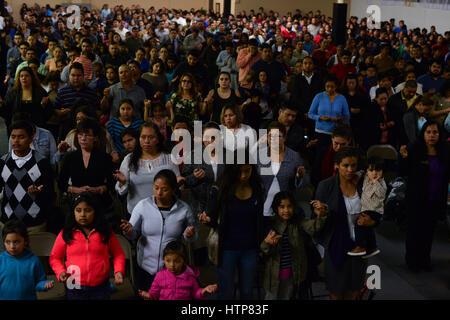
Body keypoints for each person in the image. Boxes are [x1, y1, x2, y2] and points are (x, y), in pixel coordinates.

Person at [198, 151, 265, 300]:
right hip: (226, 247)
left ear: (252, 169)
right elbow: (214, 218)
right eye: (238, 171)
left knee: (247, 291)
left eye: (247, 171)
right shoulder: (220, 189)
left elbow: (260, 219)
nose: (243, 175)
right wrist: (207, 220)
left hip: (250, 247)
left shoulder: (258, 188)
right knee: (226, 292)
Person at [120, 170, 197, 291]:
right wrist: (128, 231)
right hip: (145, 268)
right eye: (156, 188)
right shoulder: (143, 205)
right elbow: (132, 235)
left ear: (173, 190)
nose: (159, 193)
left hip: (172, 269)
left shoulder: (184, 209)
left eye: (164, 189)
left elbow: (191, 236)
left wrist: (189, 235)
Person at [314, 147, 374, 300]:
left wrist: (371, 220)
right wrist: (321, 214)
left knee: (353, 292)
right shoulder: (326, 186)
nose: (350, 169)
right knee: (336, 293)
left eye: (353, 165)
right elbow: (316, 221)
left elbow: (377, 213)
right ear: (337, 165)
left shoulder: (363, 185)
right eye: (345, 165)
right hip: (336, 246)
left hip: (359, 247)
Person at [50, 192, 125, 300]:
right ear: (73, 212)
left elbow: (118, 254)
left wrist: (118, 271)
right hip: (73, 285)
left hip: (101, 286)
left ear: (96, 212)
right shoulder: (66, 233)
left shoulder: (105, 232)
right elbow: (55, 258)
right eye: (78, 210)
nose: (83, 214)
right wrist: (61, 271)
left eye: (88, 210)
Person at [399, 121, 449, 272]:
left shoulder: (445, 152)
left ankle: (424, 260)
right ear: (423, 134)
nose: (432, 136)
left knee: (429, 232)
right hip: (416, 199)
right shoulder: (414, 149)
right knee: (415, 231)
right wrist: (404, 158)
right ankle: (412, 261)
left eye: (435, 132)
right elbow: (403, 172)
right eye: (429, 132)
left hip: (435, 198)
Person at [261, 191, 327, 300]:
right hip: (273, 276)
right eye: (282, 207)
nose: (286, 210)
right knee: (271, 297)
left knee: (287, 296)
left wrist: (321, 215)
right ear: (276, 208)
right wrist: (267, 242)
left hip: (291, 274)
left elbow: (314, 226)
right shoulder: (270, 226)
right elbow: (264, 251)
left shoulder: (298, 223)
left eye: (289, 206)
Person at [114, 122, 181, 216]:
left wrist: (178, 183)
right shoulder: (129, 160)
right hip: (136, 214)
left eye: (151, 137)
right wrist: (123, 182)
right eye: (143, 137)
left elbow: (178, 185)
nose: (146, 141)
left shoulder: (170, 159)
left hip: (165, 213)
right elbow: (121, 191)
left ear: (157, 139)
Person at [0, 120, 54, 231]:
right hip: (8, 223)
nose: (16, 141)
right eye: (13, 137)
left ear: (31, 138)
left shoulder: (42, 163)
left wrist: (40, 192)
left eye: (21, 137)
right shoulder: (3, 162)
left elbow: (51, 193)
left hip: (35, 223)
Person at [58, 118, 115, 221]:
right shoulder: (70, 157)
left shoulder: (104, 157)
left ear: (95, 138)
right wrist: (78, 190)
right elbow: (61, 184)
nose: (83, 138)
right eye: (80, 135)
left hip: (100, 202)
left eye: (87, 135)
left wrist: (99, 189)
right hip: (76, 203)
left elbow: (112, 182)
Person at [257, 122, 309, 219]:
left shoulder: (295, 157)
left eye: (278, 137)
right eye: (270, 136)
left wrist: (299, 177)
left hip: (285, 211)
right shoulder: (259, 155)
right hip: (262, 208)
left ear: (285, 138)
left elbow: (305, 182)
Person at [138, 240, 218, 300]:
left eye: (177, 261)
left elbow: (195, 293)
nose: (172, 265)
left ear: (183, 261)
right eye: (168, 261)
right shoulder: (160, 276)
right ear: (164, 260)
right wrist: (149, 296)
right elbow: (154, 293)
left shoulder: (190, 277)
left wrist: (203, 291)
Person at [0, 219, 55, 300]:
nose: (12, 246)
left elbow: (39, 282)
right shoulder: (1, 260)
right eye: (8, 242)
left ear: (25, 241)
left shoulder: (33, 260)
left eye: (16, 242)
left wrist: (45, 284)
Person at [347, 157, 387, 258]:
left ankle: (360, 246)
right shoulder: (365, 178)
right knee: (367, 228)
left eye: (378, 170)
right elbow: (360, 172)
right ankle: (372, 247)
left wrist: (375, 182)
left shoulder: (381, 184)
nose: (375, 173)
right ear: (367, 171)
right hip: (366, 209)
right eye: (371, 170)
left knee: (359, 223)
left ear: (382, 172)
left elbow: (381, 194)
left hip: (375, 211)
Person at [0, 66, 53, 135]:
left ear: (32, 78)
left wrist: (43, 106)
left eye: (26, 76)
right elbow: (6, 112)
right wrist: (1, 105)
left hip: (36, 129)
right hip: (17, 130)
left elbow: (49, 112)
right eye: (21, 76)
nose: (24, 78)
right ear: (18, 78)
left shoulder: (40, 92)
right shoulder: (13, 92)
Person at [308, 75, 351, 149]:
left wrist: (339, 119)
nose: (329, 89)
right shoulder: (319, 96)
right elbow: (310, 114)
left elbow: (347, 115)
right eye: (327, 86)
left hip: (336, 133)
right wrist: (320, 117)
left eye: (332, 87)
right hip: (320, 132)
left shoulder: (342, 98)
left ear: (336, 86)